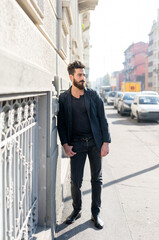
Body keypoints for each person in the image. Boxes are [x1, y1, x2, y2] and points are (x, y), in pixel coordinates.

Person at [57, 61, 111, 229]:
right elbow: (62, 124)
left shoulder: (93, 96)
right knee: (76, 181)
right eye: (80, 75)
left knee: (97, 179)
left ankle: (95, 213)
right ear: (71, 77)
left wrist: (106, 142)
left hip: (95, 143)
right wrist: (65, 144)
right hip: (77, 145)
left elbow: (103, 120)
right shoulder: (64, 98)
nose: (83, 78)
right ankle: (76, 210)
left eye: (84, 75)